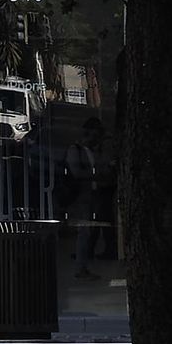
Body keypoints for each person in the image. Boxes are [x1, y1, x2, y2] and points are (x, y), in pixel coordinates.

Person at [65, 117, 111, 280]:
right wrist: (95, 175)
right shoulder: (75, 150)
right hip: (80, 195)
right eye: (95, 135)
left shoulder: (90, 151)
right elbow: (76, 172)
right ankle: (80, 267)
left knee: (87, 231)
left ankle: (83, 265)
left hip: (91, 194)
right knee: (84, 232)